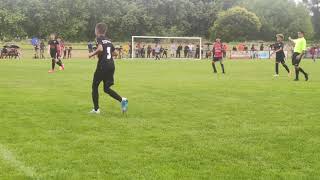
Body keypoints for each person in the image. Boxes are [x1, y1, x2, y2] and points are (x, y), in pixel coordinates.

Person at [88, 23, 128, 114]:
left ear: (97, 30)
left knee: (95, 86)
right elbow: (115, 53)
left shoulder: (99, 38)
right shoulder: (109, 41)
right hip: (111, 65)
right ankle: (122, 100)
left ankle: (96, 109)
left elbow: (101, 49)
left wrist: (92, 54)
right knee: (106, 88)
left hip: (103, 65)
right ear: (105, 31)